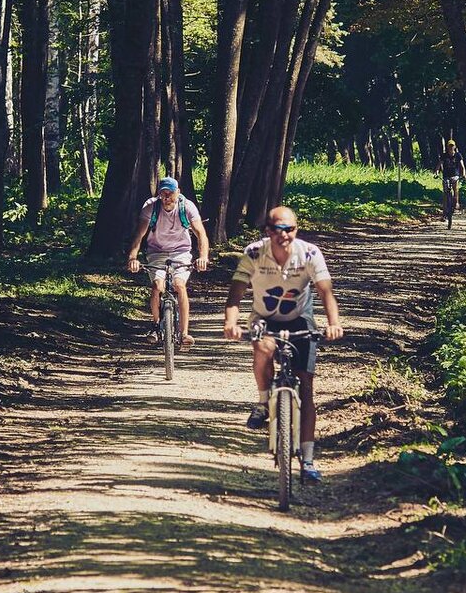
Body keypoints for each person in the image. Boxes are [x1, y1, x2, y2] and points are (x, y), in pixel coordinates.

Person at [223, 206, 344, 483]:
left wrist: (333, 323)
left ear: (296, 230)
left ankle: (309, 460)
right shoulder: (254, 253)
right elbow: (235, 296)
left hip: (299, 317)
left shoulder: (310, 253)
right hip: (264, 317)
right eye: (278, 230)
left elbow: (326, 291)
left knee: (307, 385)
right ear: (268, 231)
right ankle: (264, 402)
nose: (284, 235)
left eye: (290, 229)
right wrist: (231, 323)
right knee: (263, 347)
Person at [127, 177, 210, 347]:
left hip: (181, 252)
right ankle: (156, 326)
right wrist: (132, 258)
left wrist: (203, 257)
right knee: (158, 286)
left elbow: (201, 234)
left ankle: (184, 333)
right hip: (156, 251)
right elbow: (139, 234)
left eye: (170, 193)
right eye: (163, 194)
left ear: (177, 192)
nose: (166, 198)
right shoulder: (151, 206)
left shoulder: (186, 207)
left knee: (179, 285)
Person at [439, 139, 466, 213]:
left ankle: (456, 202)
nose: (451, 147)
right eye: (449, 146)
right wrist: (436, 172)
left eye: (452, 145)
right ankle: (445, 212)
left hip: (455, 175)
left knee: (455, 188)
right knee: (445, 192)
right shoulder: (444, 155)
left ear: (454, 146)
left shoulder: (458, 155)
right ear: (447, 147)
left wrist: (463, 174)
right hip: (446, 176)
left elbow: (462, 166)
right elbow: (439, 164)